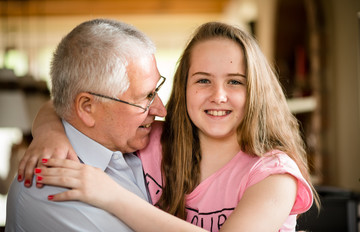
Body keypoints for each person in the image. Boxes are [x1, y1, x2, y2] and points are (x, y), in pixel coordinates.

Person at [16, 22, 319, 231]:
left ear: (256, 90)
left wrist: (111, 195)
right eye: (202, 80)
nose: (219, 96)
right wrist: (49, 130)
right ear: (183, 86)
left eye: (235, 82)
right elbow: (67, 105)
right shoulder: (154, 143)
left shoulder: (274, 176)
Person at [5, 18, 167, 231]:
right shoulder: (48, 192)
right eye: (145, 97)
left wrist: (48, 125)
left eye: (156, 90)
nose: (161, 110)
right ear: (87, 107)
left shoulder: (146, 143)